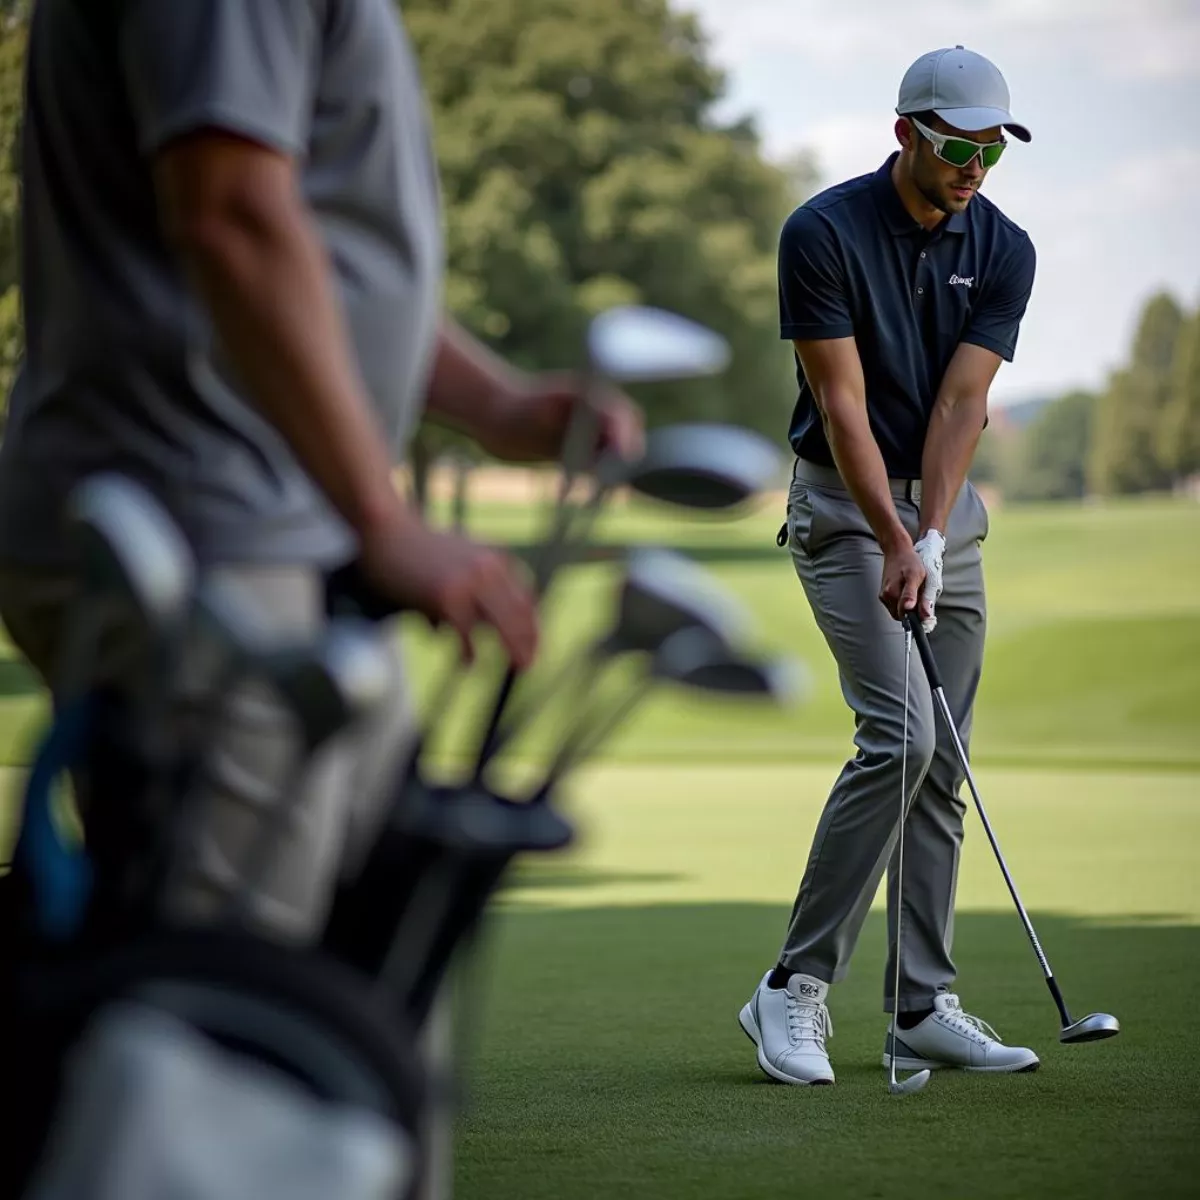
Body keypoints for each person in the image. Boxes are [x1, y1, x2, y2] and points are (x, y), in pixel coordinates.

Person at [0, 0, 642, 944]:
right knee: (225, 1007)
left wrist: (499, 405)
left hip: (254, 529)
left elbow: (315, 259)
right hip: (202, 530)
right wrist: (383, 520)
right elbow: (232, 214)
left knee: (347, 960)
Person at [738, 45, 1039, 1084]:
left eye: (992, 148)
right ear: (905, 132)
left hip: (943, 515)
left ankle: (919, 1006)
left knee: (944, 757)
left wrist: (937, 535)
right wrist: (895, 538)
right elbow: (844, 405)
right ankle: (790, 989)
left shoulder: (1005, 247)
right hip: (842, 505)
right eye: (957, 145)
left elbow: (963, 403)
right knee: (901, 736)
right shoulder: (821, 233)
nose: (974, 168)